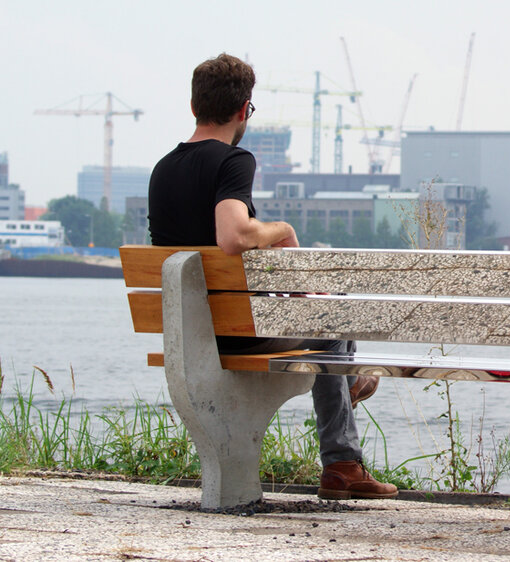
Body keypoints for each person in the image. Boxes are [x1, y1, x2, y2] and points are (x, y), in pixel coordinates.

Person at [147, 53, 397, 500]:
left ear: (193, 106)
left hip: (188, 334)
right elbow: (232, 235)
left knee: (328, 323)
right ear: (244, 110)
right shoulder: (234, 161)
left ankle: (349, 385)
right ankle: (342, 458)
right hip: (237, 335)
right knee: (334, 322)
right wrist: (281, 229)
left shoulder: (162, 169)